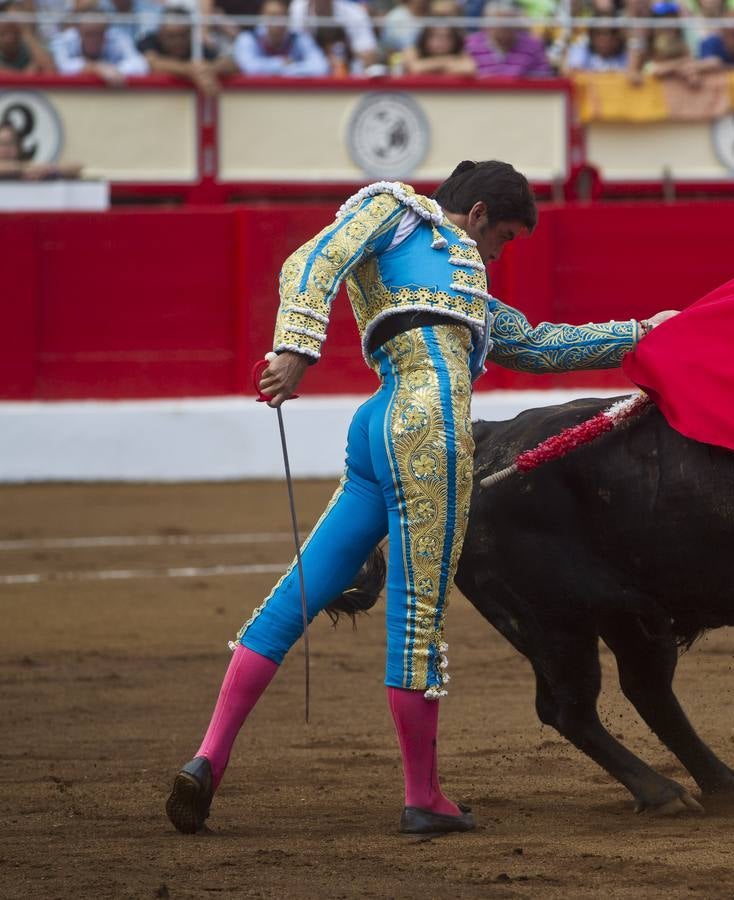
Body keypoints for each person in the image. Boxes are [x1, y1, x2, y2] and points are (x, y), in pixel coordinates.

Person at [164, 162, 680, 837]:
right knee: (415, 621)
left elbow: (535, 343)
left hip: (376, 425)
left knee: (295, 594)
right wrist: (295, 349)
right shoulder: (397, 208)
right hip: (429, 426)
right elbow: (313, 258)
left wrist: (642, 332)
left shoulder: (452, 279)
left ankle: (208, 758)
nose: (499, 252)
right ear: (476, 216)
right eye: (505, 236)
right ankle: (423, 798)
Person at [138, 3, 238, 94]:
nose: (178, 42)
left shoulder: (197, 46)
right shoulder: (149, 40)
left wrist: (209, 69)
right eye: (171, 36)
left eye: (183, 35)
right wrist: (189, 71)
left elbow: (231, 64)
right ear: (160, 34)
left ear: (191, 34)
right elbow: (152, 63)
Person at [50, 0, 150, 82]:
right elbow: (60, 66)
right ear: (79, 32)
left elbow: (140, 65)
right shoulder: (65, 40)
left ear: (106, 32)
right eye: (89, 34)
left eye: (98, 34)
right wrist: (95, 68)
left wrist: (113, 70)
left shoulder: (116, 37)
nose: (94, 39)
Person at [234, 0, 329, 75]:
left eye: (281, 16)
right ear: (262, 17)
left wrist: (291, 68)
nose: (277, 21)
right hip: (258, 95)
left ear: (288, 17)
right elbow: (249, 68)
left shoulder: (299, 38)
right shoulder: (248, 38)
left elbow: (320, 67)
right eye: (272, 16)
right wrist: (280, 63)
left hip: (292, 94)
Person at [287, 0, 382, 73]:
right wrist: (323, 61)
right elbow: (292, 54)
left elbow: (368, 54)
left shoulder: (354, 12)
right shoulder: (298, 8)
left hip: (348, 76)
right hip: (310, 75)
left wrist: (344, 59)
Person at [465, 0, 555, 75]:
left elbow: (543, 78)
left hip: (521, 95)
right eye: (499, 23)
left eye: (508, 24)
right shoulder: (471, 44)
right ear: (488, 23)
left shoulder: (533, 46)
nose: (504, 29)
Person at [402, 0, 475, 73]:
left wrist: (429, 66)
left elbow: (469, 68)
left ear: (454, 40)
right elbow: (415, 68)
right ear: (425, 38)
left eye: (446, 37)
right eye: (435, 36)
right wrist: (447, 62)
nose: (441, 42)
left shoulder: (460, 52)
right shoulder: (412, 51)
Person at [0, 120, 82, 179]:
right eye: (2, 143)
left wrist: (45, 169)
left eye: (11, 143)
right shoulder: (25, 168)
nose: (6, 149)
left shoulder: (31, 170)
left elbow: (77, 168)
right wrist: (22, 169)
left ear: (19, 147)